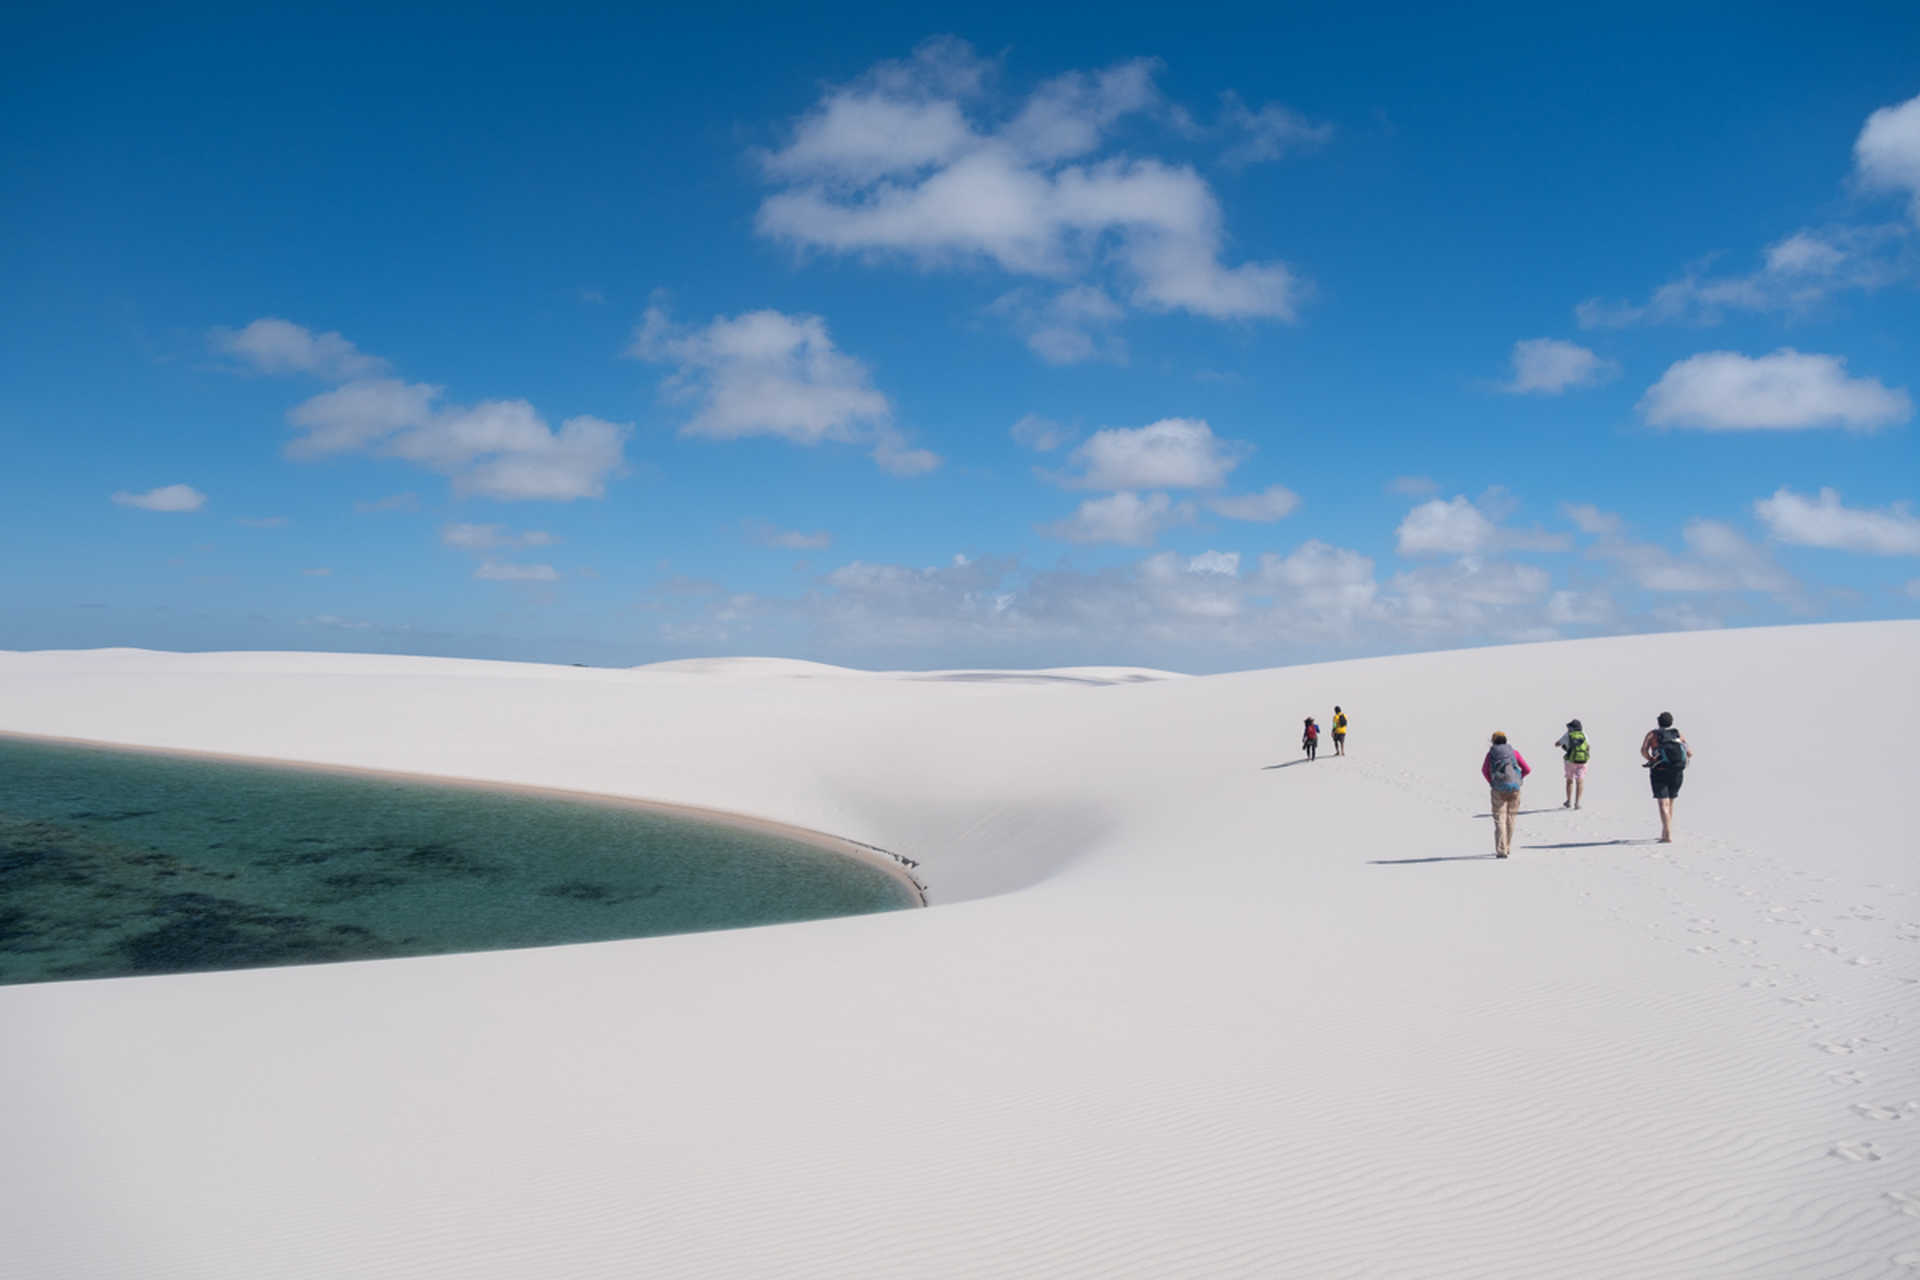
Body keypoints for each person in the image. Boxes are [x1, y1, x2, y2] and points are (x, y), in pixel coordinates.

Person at [1639, 711, 1692, 843]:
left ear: (1658, 722)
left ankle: (1666, 834)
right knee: (1671, 801)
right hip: (1677, 771)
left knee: (1663, 803)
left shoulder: (1652, 734)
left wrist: (1651, 759)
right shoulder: (1677, 734)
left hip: (1659, 770)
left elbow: (1643, 750)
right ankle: (1666, 832)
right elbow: (1689, 752)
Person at [1480, 731, 1531, 858]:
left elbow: (1484, 770)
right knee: (1511, 818)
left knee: (1499, 819)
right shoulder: (1514, 753)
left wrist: (1492, 782)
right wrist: (1519, 779)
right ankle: (1507, 847)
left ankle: (1501, 850)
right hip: (1514, 788)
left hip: (1498, 789)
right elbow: (1527, 769)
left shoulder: (1491, 754)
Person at [1555, 718, 1590, 809]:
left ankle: (1569, 801)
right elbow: (1588, 747)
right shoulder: (1584, 735)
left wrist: (1564, 746)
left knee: (1569, 781)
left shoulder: (1568, 735)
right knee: (1580, 781)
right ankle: (1577, 803)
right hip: (1582, 761)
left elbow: (1557, 744)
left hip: (1570, 761)